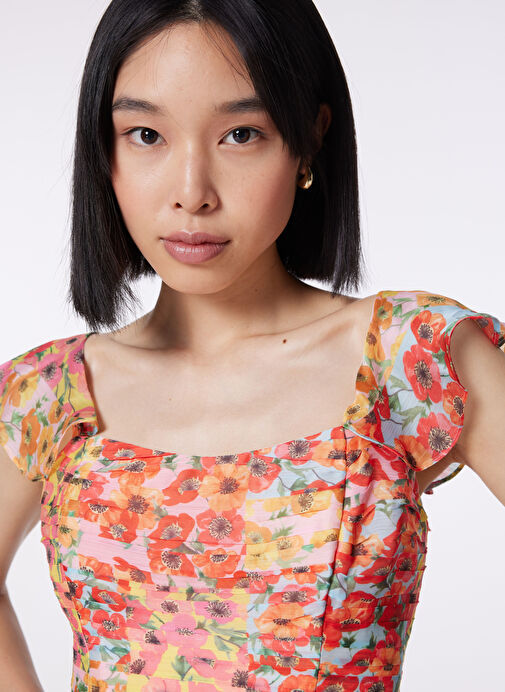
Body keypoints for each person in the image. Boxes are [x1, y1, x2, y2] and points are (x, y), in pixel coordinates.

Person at [0, 0, 504, 690]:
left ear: (310, 140)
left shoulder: (409, 357)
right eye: (146, 135)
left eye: (241, 134)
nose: (192, 193)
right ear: (103, 151)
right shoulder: (51, 394)